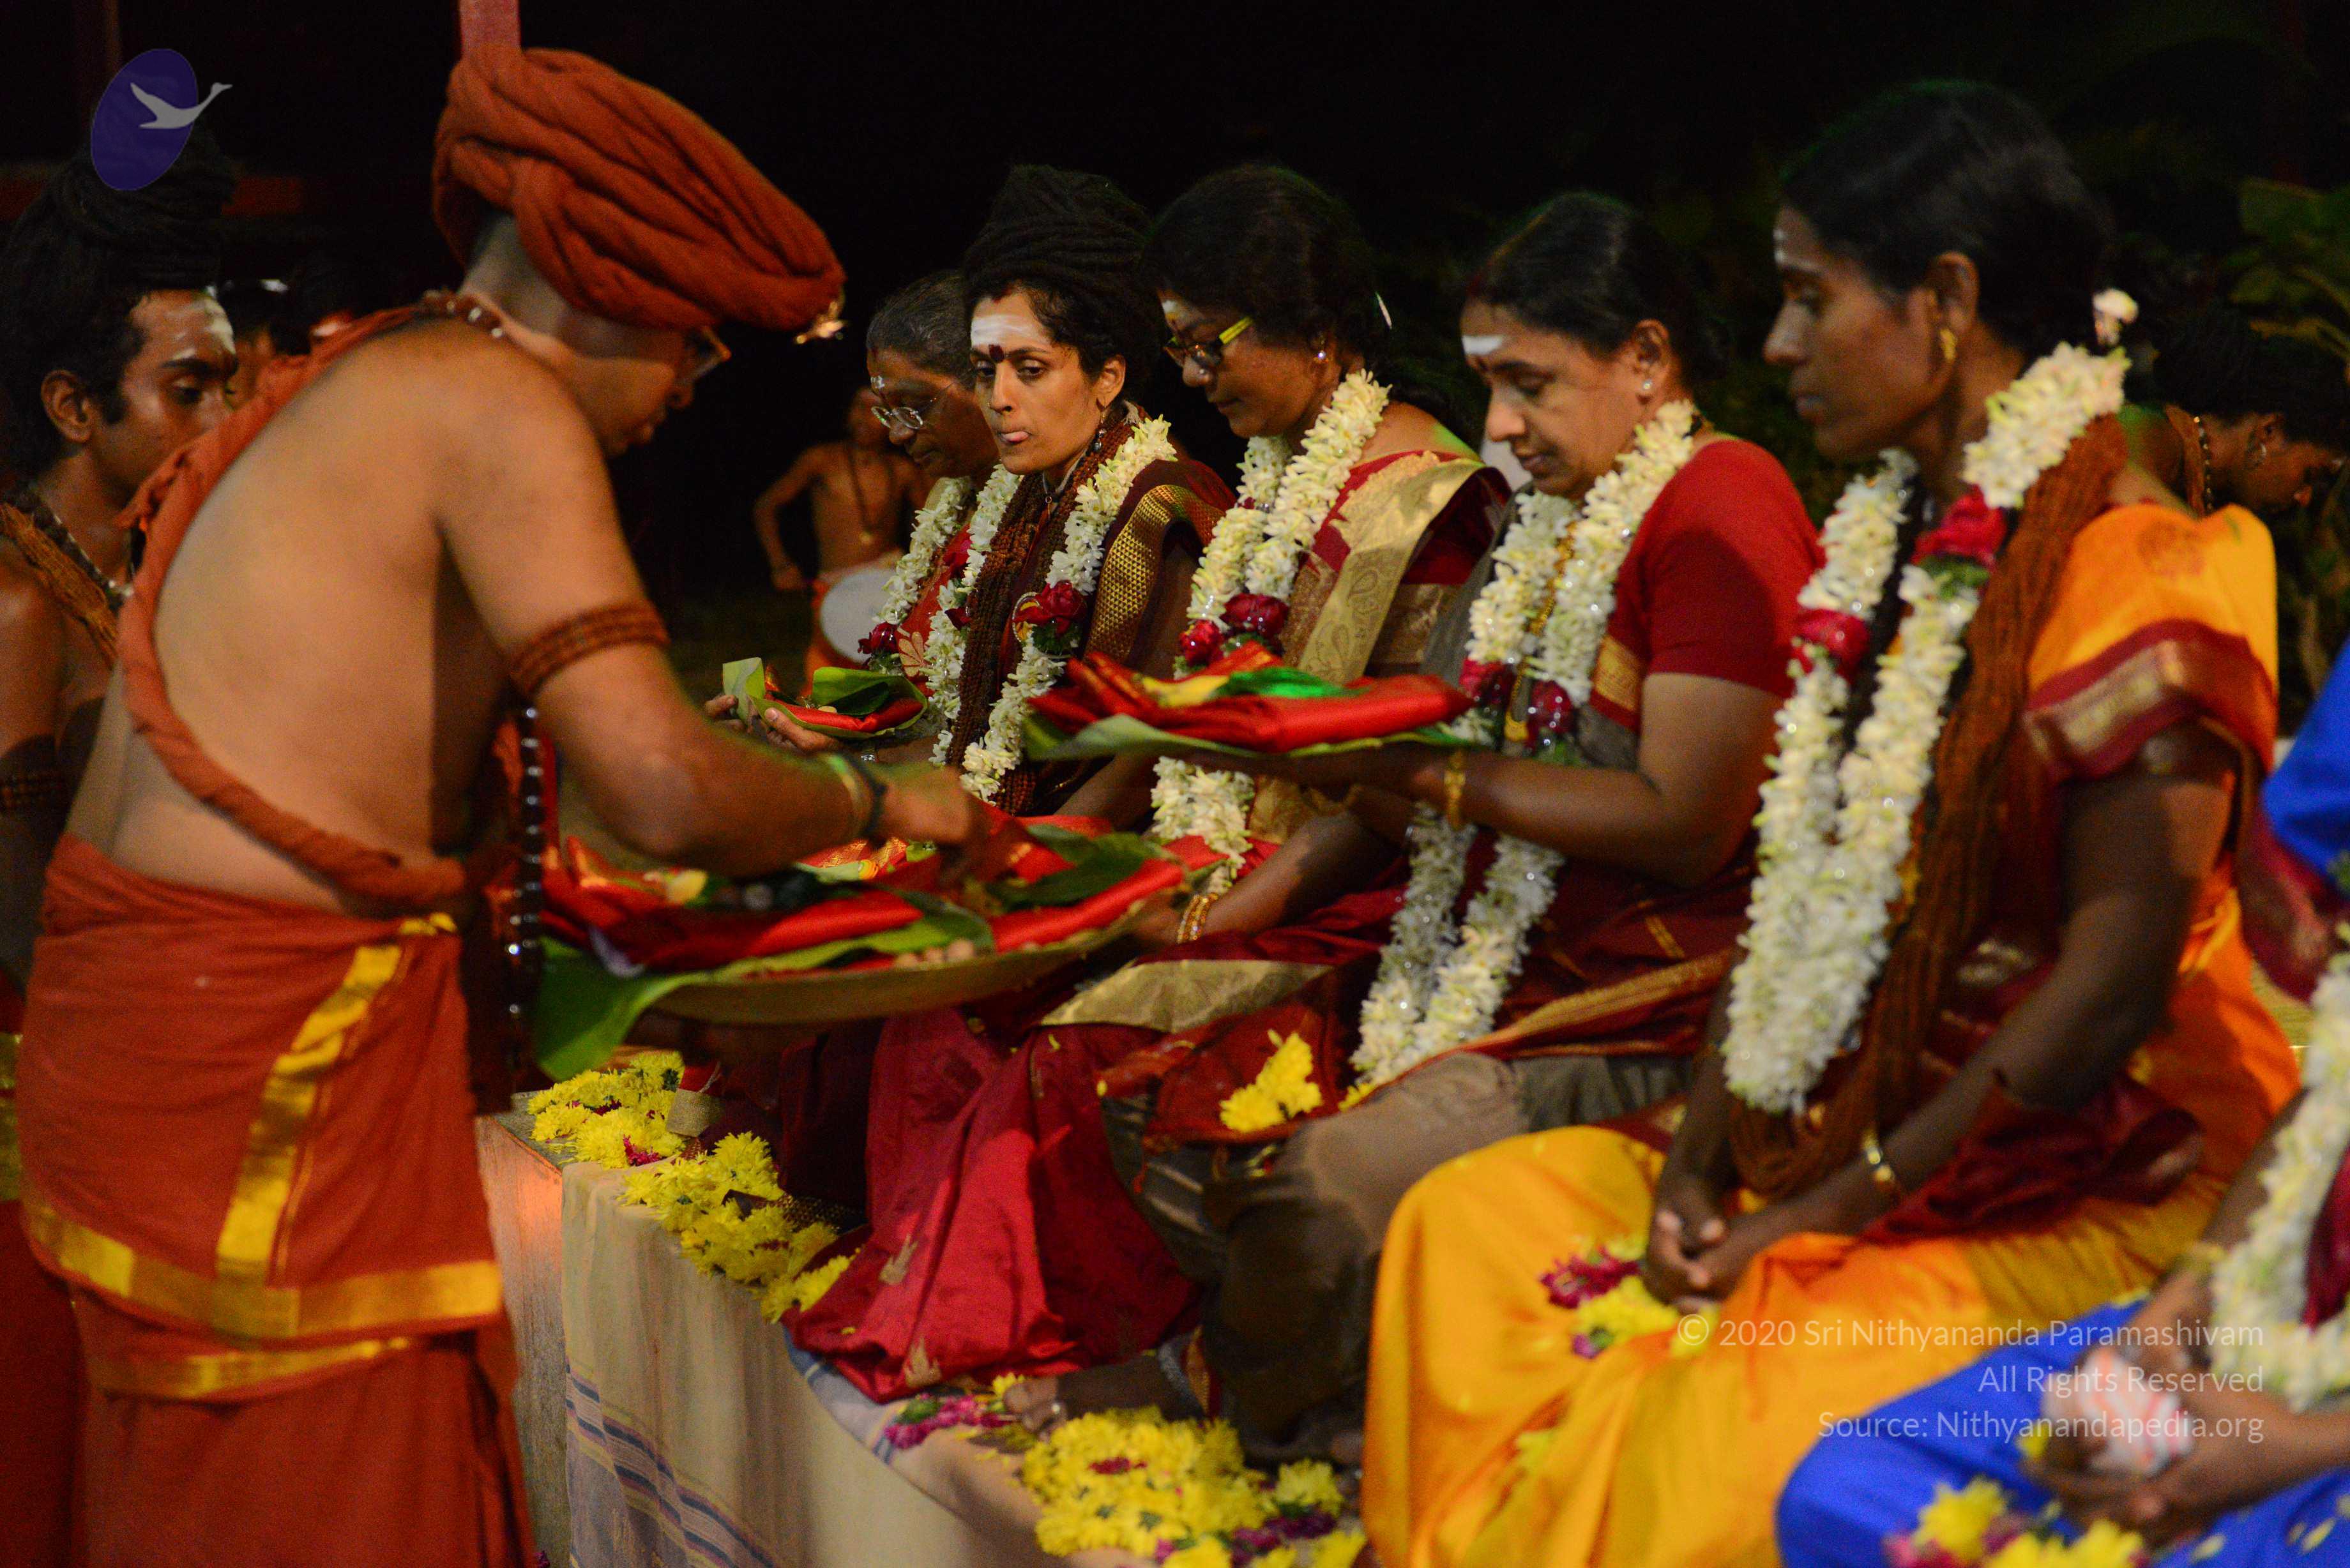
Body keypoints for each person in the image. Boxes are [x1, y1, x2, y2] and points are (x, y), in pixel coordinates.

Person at [12, 46, 983, 1568]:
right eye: (692, 346)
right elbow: (657, 783)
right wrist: (885, 796)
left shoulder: (349, 376)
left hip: (172, 1041)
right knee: (323, 1507)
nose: (685, 391)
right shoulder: (490, 400)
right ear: (603, 292)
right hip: (266, 1073)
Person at [1361, 82, 2298, 1568]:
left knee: (1722, 1406)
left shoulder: (2146, 578)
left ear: (1946, 303)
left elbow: (2105, 993)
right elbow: (1798, 882)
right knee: (1462, 1232)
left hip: (2100, 1162)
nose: (1779, 346)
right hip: (1851, 1110)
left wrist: (1825, 1212)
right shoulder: (1885, 554)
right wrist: (1697, 1153)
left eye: (1809, 297)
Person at [1002, 192, 1823, 1462]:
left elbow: (1684, 823)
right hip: (1475, 957)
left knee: (1320, 1189)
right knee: (1145, 1093)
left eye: (1529, 386)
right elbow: (1408, 769)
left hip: (1641, 1000)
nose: (1499, 427)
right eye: (1489, 387)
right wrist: (1280, 789)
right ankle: (1338, 1383)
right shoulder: (1544, 520)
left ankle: (1257, 1392)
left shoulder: (1721, 498)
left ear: (1647, 360)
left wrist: (1406, 772)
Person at [794, 166, 1520, 1405]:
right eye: (1178, 343)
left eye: (1205, 343)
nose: (1192, 376)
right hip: (1231, 860)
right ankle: (916, 1273)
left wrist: (1200, 914)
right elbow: (1183, 730)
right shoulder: (1279, 469)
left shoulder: (1428, 500)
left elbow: (1394, 805)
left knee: (1070, 1041)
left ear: (1314, 327)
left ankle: (1102, 1351)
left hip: (1363, 897)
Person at [1776, 649, 2350, 1566]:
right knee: (1849, 1487)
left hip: (2323, 1432)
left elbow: (2108, 989)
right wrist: (2177, 1306)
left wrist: (2300, 1444)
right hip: (2278, 1309)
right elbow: (2330, 1109)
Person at [0, 133, 236, 1568]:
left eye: (233, 380)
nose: (228, 417)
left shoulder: (139, 569)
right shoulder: (16, 602)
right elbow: (16, 919)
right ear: (73, 406)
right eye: (190, 388)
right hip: (47, 1118)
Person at [2119, 304, 2350, 520]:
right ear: (2269, 430)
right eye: (2309, 477)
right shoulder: (2149, 438)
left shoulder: (2197, 486)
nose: (2304, 498)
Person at [750, 386, 921, 677]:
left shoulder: (903, 470)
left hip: (887, 586)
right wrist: (780, 565)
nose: (865, 417)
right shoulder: (822, 460)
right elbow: (767, 506)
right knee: (826, 678)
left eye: (876, 410)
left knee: (886, 678)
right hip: (833, 587)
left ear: (893, 420)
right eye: (859, 407)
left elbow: (931, 523)